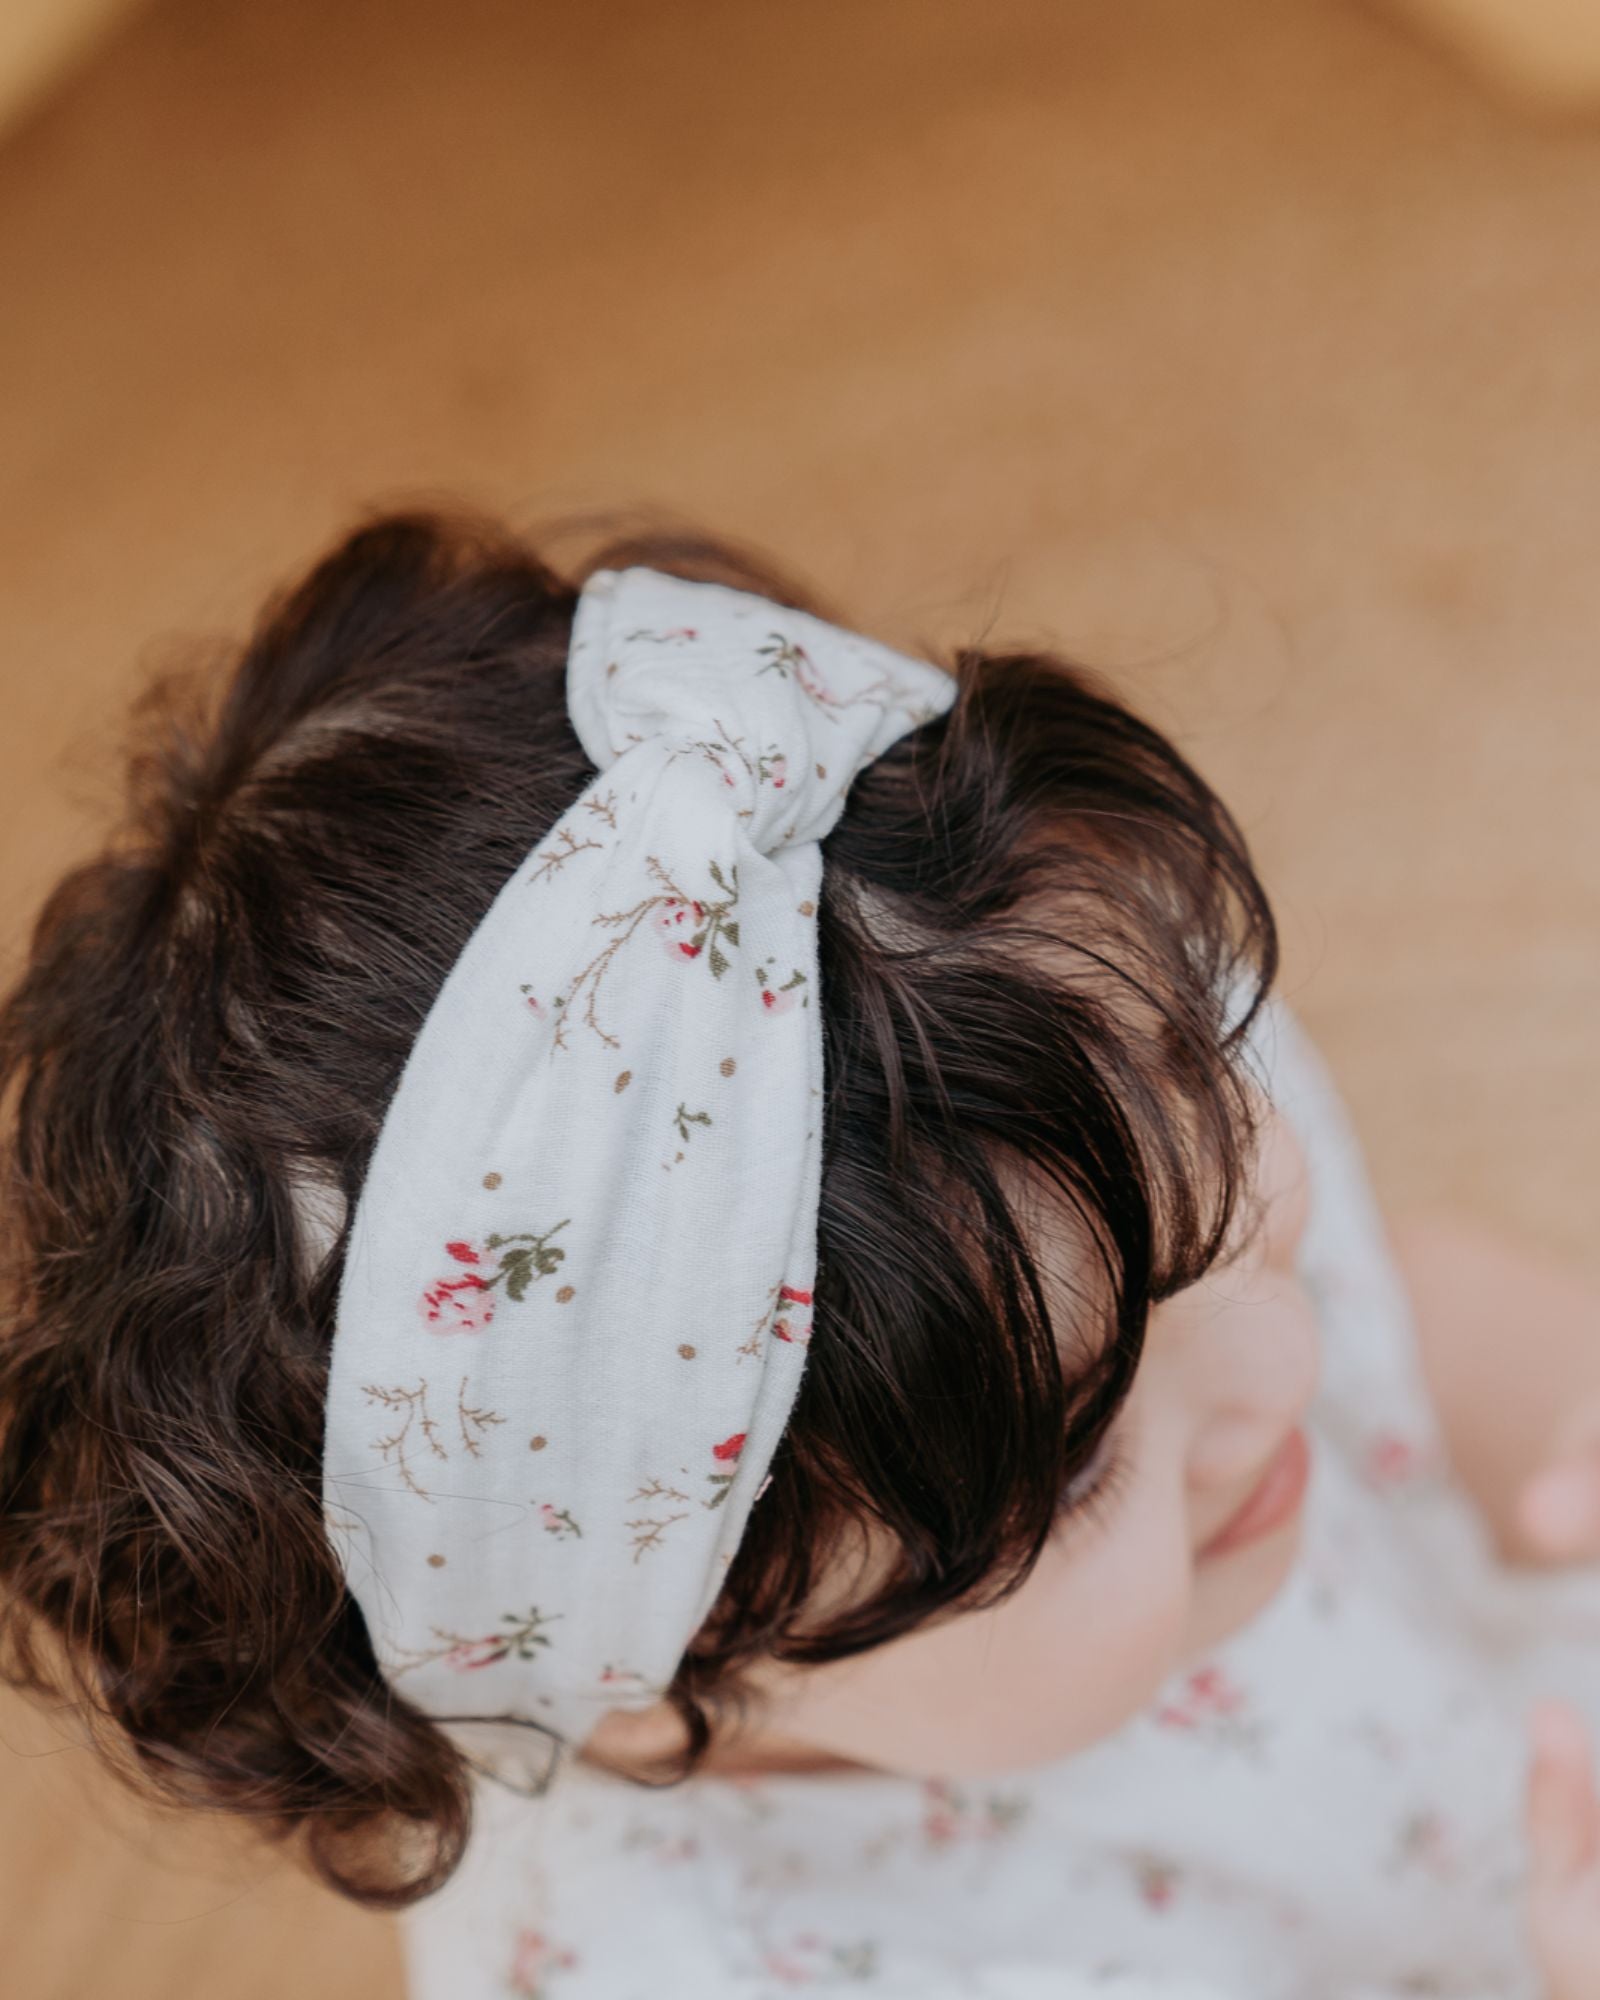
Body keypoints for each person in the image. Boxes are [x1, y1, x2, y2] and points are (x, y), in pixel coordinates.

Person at [2, 503, 1600, 2000]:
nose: (1281, 1359)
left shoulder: (1089, 1156)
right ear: (661, 1682)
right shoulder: (714, 1963)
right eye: (1094, 1455)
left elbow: (1416, 1331)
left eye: (1210, 1095)